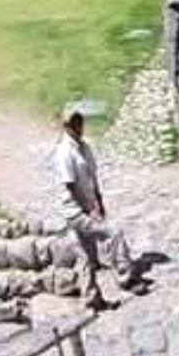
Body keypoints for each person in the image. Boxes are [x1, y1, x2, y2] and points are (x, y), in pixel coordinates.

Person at [49, 110, 141, 310]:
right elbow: (71, 185)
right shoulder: (65, 152)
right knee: (114, 232)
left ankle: (91, 298)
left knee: (86, 254)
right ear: (66, 127)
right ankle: (126, 277)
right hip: (76, 211)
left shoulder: (84, 148)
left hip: (89, 204)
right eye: (74, 124)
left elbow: (92, 176)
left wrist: (99, 200)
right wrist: (89, 209)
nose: (78, 128)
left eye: (80, 123)